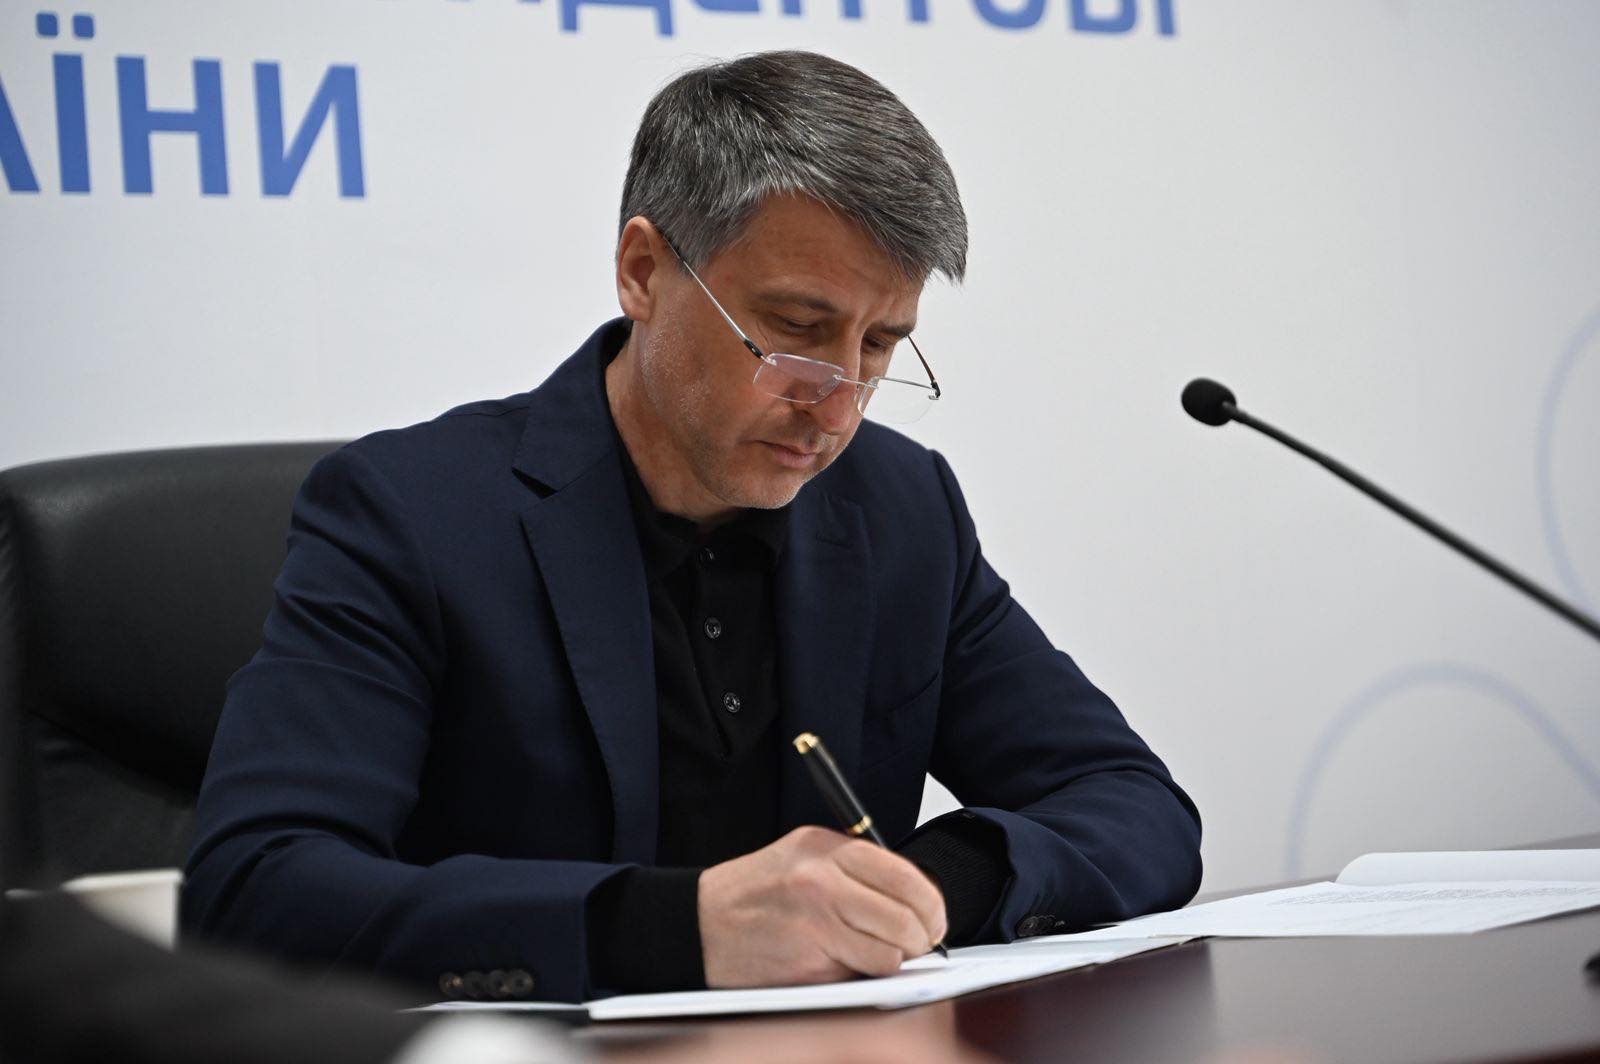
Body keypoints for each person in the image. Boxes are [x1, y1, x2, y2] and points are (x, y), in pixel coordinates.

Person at [183, 49, 1202, 1004]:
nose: (838, 402)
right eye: (798, 329)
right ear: (643, 270)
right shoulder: (409, 512)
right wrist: (676, 929)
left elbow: (1132, 803)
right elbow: (255, 888)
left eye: (880, 344)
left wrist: (938, 882)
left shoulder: (901, 509)